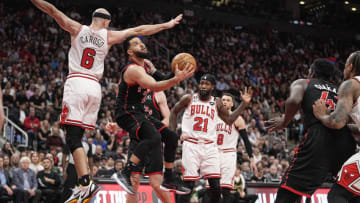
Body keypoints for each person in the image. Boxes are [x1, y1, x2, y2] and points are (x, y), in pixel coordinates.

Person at [30, 0, 184, 201]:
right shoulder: (109, 35)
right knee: (80, 135)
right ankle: (86, 183)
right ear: (107, 22)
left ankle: (85, 183)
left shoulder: (77, 28)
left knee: (73, 137)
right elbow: (140, 29)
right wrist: (166, 24)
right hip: (95, 87)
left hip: (77, 82)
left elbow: (52, 10)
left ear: (93, 19)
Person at [112, 35, 194, 195]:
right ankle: (125, 172)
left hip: (139, 112)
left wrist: (176, 73)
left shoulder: (147, 65)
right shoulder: (133, 69)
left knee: (171, 137)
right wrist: (177, 79)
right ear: (130, 52)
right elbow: (156, 86)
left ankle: (169, 178)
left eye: (141, 42)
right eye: (136, 44)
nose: (141, 45)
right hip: (126, 112)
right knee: (153, 137)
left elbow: (162, 79)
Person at [266, 58, 356, 203]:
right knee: (346, 194)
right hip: (345, 142)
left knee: (287, 192)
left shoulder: (304, 82)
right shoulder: (341, 90)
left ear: (312, 72)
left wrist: (284, 121)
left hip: (318, 138)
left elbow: (293, 100)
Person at [170, 74, 252, 203]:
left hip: (210, 147)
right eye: (201, 83)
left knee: (216, 188)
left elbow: (230, 120)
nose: (203, 86)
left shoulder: (217, 102)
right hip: (191, 144)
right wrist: (172, 132)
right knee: (188, 186)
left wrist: (243, 104)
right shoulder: (189, 98)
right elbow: (174, 111)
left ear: (212, 87)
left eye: (206, 84)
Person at [313, 51, 360, 203]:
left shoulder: (350, 85)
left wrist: (322, 115)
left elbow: (336, 122)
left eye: (345, 63)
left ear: (350, 66)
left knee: (336, 196)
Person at [214, 93, 256, 202]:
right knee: (211, 188)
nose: (225, 102)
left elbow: (246, 140)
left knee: (226, 188)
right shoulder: (213, 116)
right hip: (213, 153)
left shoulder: (237, 119)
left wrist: (251, 158)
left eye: (228, 100)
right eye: (223, 100)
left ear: (232, 104)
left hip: (228, 154)